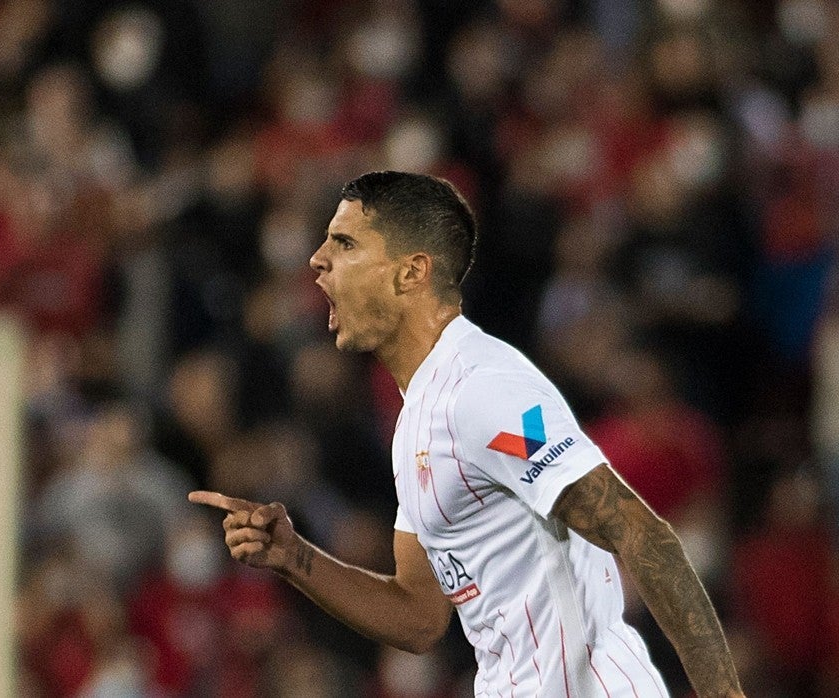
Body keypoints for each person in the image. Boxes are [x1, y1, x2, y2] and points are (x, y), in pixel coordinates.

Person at [190, 172, 743, 696]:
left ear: (411, 272)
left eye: (346, 243)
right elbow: (418, 616)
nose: (317, 259)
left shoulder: (484, 389)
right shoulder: (416, 420)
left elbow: (643, 535)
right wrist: (294, 557)